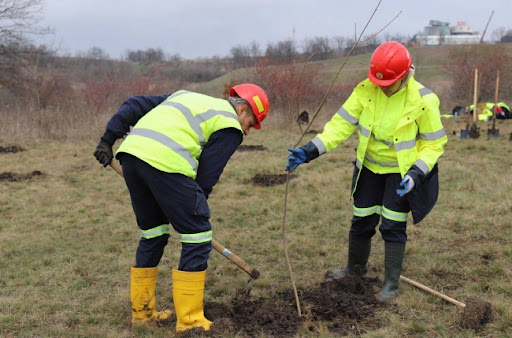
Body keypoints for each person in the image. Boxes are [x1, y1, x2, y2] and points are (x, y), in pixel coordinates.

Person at [93, 84, 270, 332]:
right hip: (167, 164)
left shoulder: (184, 96)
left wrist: (107, 140)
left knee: (153, 233)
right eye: (251, 124)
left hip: (131, 157)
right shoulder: (230, 125)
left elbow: (133, 104)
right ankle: (191, 322)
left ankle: (142, 314)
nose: (248, 131)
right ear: (242, 110)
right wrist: (192, 210)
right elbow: (207, 176)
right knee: (198, 235)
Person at [286, 41, 447, 302]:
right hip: (369, 168)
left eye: (388, 83)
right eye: (378, 81)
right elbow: (339, 126)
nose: (382, 86)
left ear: (405, 75)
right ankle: (354, 269)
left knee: (393, 225)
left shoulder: (424, 100)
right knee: (361, 218)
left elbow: (433, 144)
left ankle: (391, 286)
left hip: (401, 173)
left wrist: (416, 174)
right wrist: (309, 151)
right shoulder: (365, 90)